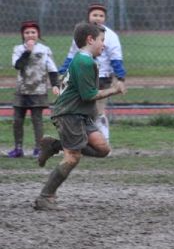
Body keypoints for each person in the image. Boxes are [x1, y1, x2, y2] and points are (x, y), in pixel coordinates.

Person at [33, 22, 126, 211]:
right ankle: (45, 196)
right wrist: (114, 90)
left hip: (80, 114)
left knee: (102, 149)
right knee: (72, 157)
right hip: (69, 114)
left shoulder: (85, 59)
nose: (104, 45)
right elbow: (88, 95)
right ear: (90, 40)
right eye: (102, 40)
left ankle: (54, 145)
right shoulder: (84, 61)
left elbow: (76, 89)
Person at [58, 3, 126, 145]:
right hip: (81, 78)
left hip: (102, 78)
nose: (98, 18)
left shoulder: (111, 36)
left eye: (101, 15)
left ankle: (104, 142)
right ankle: (82, 142)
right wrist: (62, 73)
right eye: (95, 14)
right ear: (89, 17)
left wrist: (120, 78)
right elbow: (72, 56)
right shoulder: (82, 34)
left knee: (98, 112)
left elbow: (116, 59)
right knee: (80, 111)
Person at [7, 21, 60, 158]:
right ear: (23, 35)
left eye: (33, 32)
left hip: (38, 90)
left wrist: (55, 85)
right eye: (27, 32)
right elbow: (18, 65)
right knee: (17, 120)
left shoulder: (45, 50)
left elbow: (52, 69)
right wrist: (27, 52)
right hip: (22, 91)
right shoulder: (18, 49)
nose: (30, 35)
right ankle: (18, 148)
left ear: (38, 34)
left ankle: (39, 148)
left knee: (37, 120)